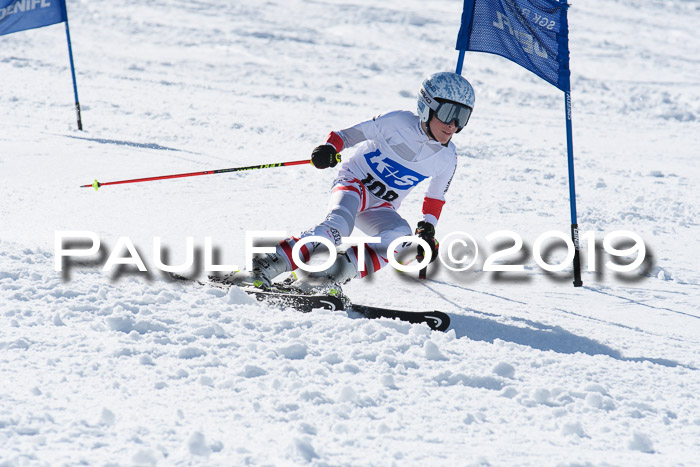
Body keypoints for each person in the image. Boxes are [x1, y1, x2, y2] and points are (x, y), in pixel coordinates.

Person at [226, 71, 475, 291]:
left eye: (462, 117)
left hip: (381, 207)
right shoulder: (397, 122)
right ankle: (263, 265)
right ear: (426, 106)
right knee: (338, 227)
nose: (453, 125)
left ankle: (325, 277)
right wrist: (329, 149)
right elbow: (344, 136)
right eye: (448, 113)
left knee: (401, 239)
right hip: (354, 184)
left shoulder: (447, 158)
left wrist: (428, 229)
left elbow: (435, 198)